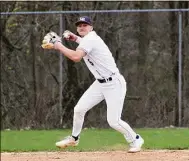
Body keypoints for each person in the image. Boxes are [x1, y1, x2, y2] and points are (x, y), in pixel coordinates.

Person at [41, 16, 144, 153]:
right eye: (79, 26)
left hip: (114, 84)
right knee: (79, 109)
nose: (82, 27)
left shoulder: (91, 39)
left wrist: (58, 45)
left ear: (91, 27)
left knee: (114, 121)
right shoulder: (89, 39)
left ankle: (136, 139)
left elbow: (76, 57)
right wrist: (75, 38)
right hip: (100, 83)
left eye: (85, 25)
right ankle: (74, 138)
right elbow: (85, 45)